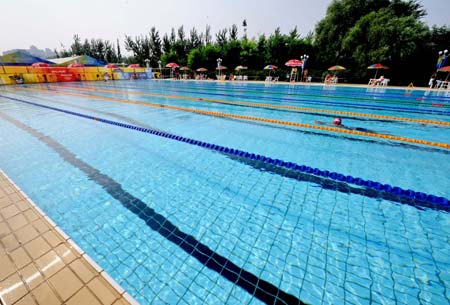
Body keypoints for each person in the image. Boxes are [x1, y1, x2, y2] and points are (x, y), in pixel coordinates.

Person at [315, 117, 386, 134]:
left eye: (335, 122)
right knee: (369, 131)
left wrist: (320, 122)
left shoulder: (338, 126)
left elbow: (326, 123)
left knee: (369, 131)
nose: (335, 123)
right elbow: (325, 123)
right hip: (353, 128)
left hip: (353, 129)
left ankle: (380, 131)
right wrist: (320, 122)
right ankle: (380, 131)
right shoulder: (338, 125)